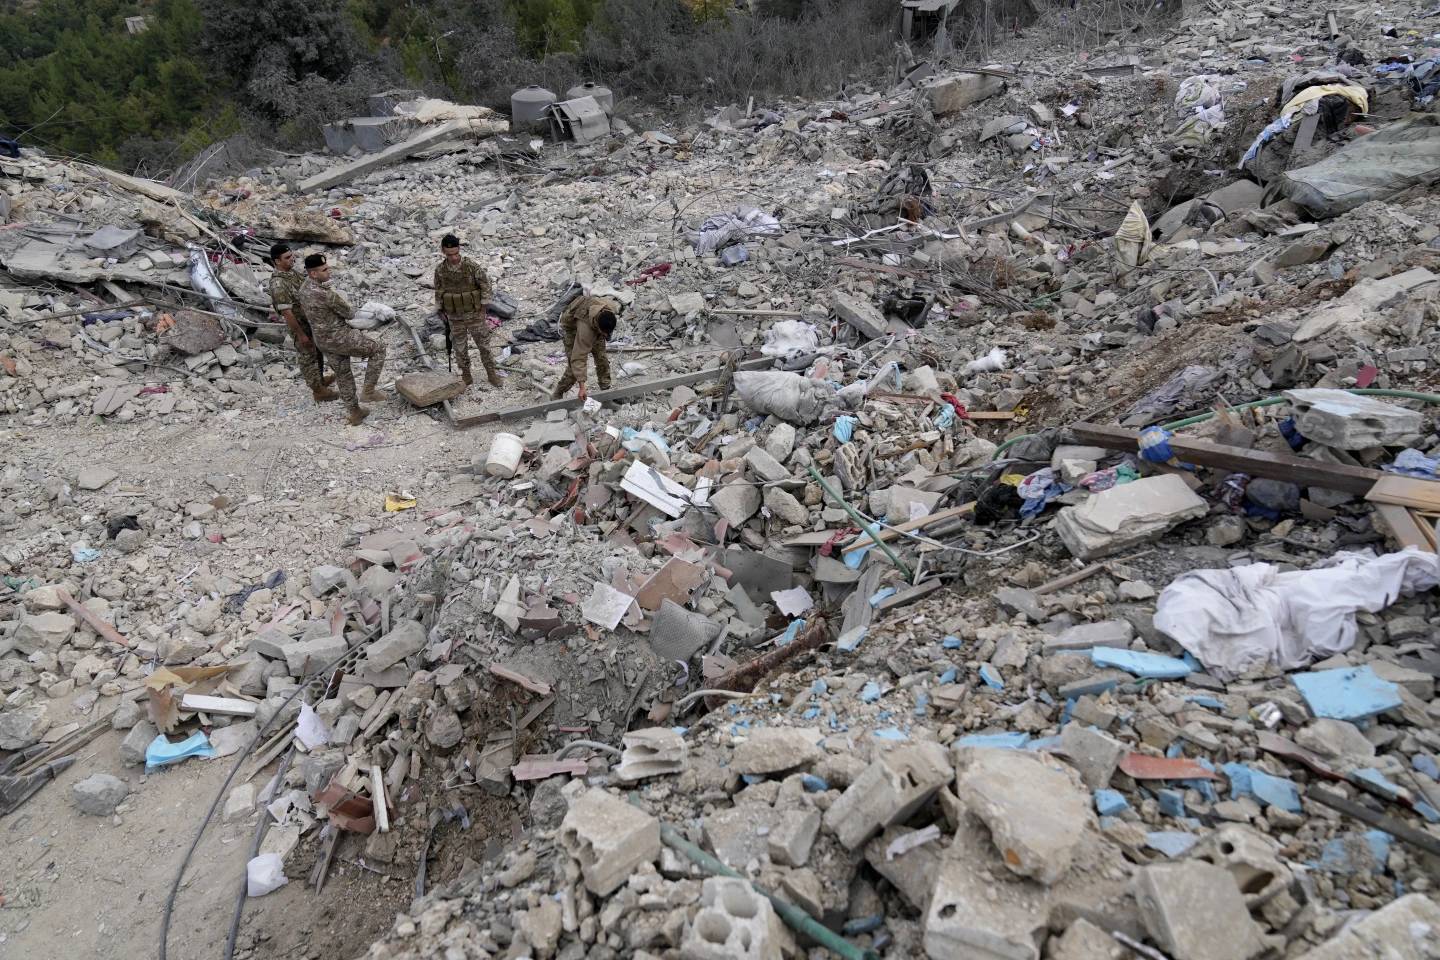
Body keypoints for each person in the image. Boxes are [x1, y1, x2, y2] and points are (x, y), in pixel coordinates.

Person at [296, 253, 386, 426]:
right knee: (379, 348)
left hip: (322, 340)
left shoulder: (304, 289)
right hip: (340, 337)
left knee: (343, 373)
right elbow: (350, 313)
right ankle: (368, 391)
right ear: (313, 274)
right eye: (324, 270)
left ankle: (354, 412)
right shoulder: (325, 294)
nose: (328, 271)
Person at [267, 243, 337, 404]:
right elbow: (287, 312)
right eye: (287, 258)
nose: (292, 259)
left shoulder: (292, 274)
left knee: (317, 352)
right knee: (307, 355)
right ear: (277, 261)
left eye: (291, 255)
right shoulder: (278, 283)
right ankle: (318, 391)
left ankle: (319, 380)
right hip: (300, 325)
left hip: (310, 321)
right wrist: (300, 334)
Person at [433, 234, 501, 389]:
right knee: (459, 349)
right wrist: (440, 309)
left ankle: (491, 374)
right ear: (443, 251)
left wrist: (483, 306)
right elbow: (439, 290)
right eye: (450, 254)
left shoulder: (471, 266)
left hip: (475, 315)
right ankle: (466, 375)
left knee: (484, 346)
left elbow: (485, 284)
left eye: (456, 253)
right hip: (455, 317)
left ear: (459, 250)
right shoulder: (440, 270)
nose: (454, 257)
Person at [550, 294, 619, 401]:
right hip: (572, 329)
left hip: (596, 325)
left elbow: (605, 328)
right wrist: (582, 388)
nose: (605, 337)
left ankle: (606, 391)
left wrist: (603, 333)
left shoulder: (609, 309)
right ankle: (557, 395)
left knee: (602, 359)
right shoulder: (585, 331)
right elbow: (579, 358)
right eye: (604, 333)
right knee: (574, 369)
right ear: (598, 327)